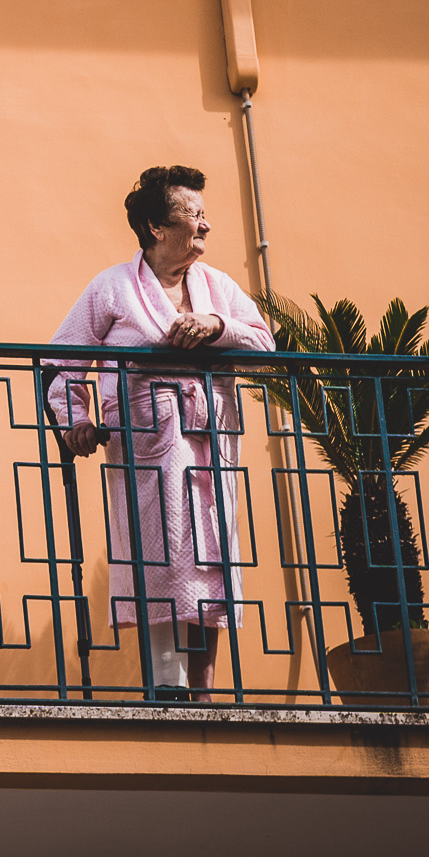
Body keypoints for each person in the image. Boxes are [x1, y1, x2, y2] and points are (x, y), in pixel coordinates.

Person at [49, 166, 272, 701]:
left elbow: (265, 345)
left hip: (210, 443)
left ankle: (204, 694)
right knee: (163, 558)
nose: (205, 227)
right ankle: (167, 689)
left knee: (211, 556)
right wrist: (77, 422)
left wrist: (219, 327)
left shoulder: (218, 287)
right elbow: (60, 363)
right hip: (150, 445)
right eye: (193, 217)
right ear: (156, 227)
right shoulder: (112, 288)